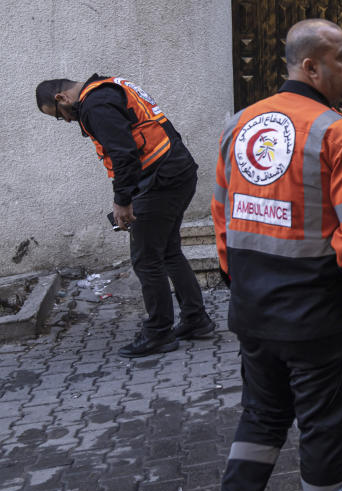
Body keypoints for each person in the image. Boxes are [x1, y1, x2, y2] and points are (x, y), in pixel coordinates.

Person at [202, 19, 342, 491]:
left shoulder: (240, 124)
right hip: (321, 320)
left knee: (260, 420)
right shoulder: (339, 133)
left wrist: (241, 289)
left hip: (255, 314)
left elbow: (222, 218)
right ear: (311, 66)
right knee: (326, 430)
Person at [36, 75, 212, 358]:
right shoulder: (108, 87)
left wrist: (123, 202)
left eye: (59, 116)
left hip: (161, 179)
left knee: (146, 260)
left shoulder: (95, 104)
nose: (66, 121)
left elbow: (123, 154)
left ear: (61, 98)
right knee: (168, 251)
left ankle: (159, 333)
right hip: (177, 171)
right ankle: (196, 320)